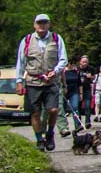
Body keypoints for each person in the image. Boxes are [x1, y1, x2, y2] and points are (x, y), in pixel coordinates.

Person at [15, 13, 68, 152]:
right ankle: (39, 140)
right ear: (34, 25)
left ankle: (50, 133)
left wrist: (55, 71)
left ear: (49, 24)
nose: (41, 25)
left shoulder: (56, 38)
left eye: (44, 22)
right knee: (35, 113)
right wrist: (19, 81)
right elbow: (20, 62)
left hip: (51, 81)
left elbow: (63, 59)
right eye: (39, 23)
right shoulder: (27, 40)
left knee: (54, 109)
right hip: (33, 81)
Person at [59, 60, 82, 136]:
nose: (73, 66)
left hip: (74, 91)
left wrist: (81, 93)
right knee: (62, 109)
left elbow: (79, 83)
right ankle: (64, 128)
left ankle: (78, 125)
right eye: (72, 64)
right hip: (65, 91)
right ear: (68, 64)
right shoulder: (63, 71)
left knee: (75, 107)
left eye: (74, 64)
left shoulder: (76, 72)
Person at [78, 55, 97, 128]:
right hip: (78, 89)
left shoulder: (91, 68)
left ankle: (87, 122)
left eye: (86, 62)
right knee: (78, 106)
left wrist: (91, 77)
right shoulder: (77, 69)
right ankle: (78, 123)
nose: (85, 63)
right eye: (83, 62)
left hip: (87, 89)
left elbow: (94, 77)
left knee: (87, 106)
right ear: (80, 62)